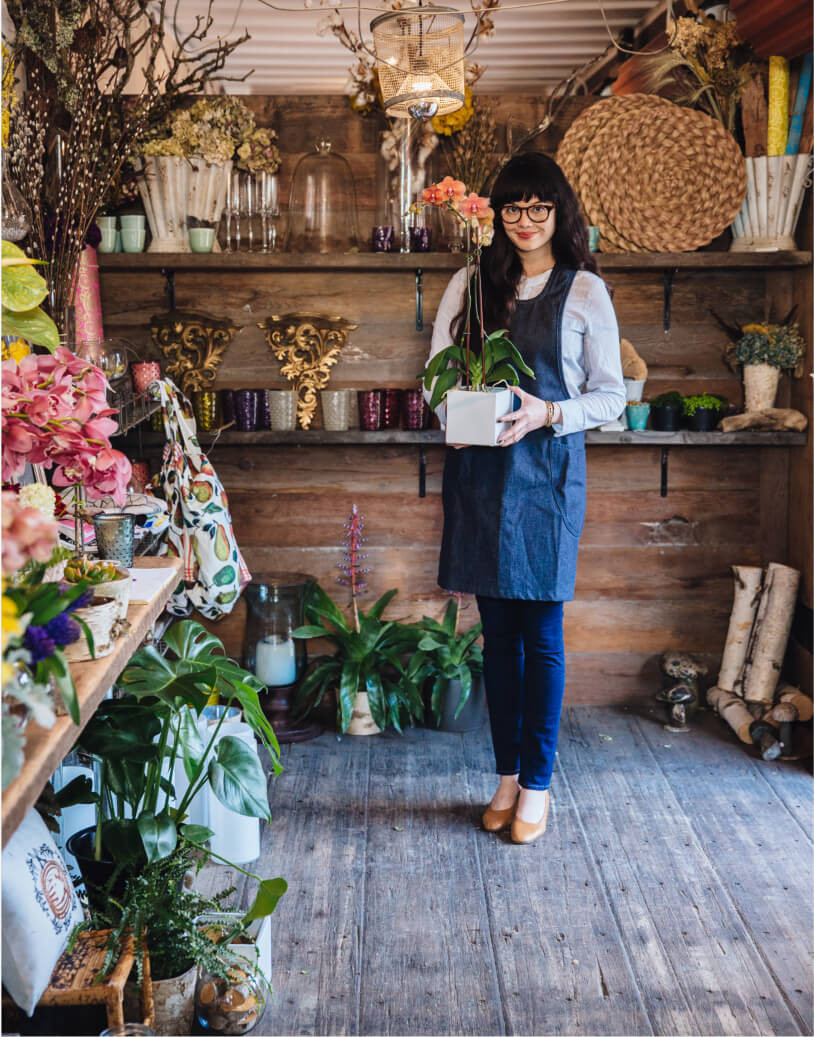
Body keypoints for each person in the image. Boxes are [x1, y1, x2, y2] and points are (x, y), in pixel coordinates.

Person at [425, 152, 626, 845]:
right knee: (497, 636)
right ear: (495, 215)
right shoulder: (469, 283)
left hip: (546, 475)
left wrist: (548, 414)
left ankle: (537, 782)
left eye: (539, 207)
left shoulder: (585, 293)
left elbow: (613, 395)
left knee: (539, 635)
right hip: (479, 474)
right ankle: (505, 774)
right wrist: (449, 417)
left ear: (559, 211)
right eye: (512, 208)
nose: (525, 221)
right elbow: (434, 373)